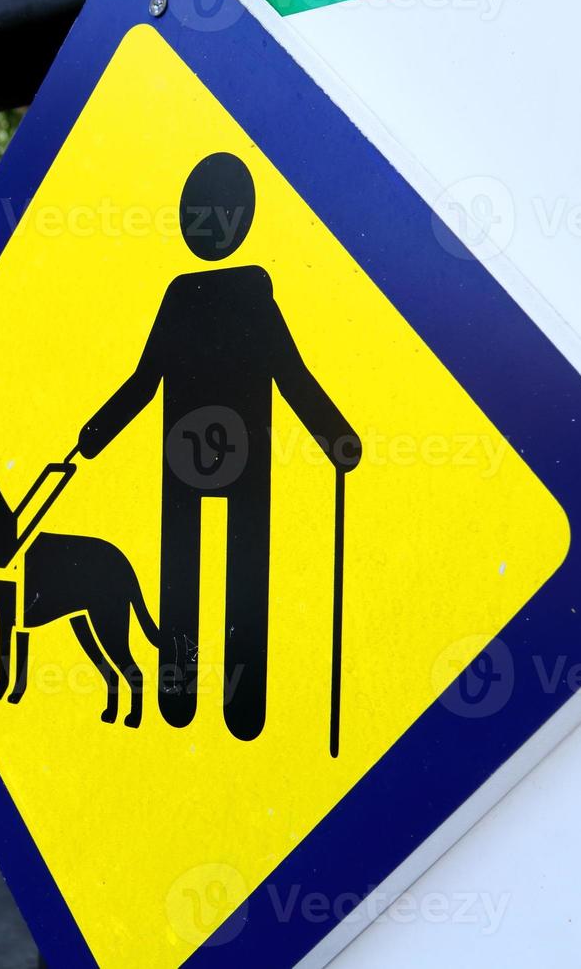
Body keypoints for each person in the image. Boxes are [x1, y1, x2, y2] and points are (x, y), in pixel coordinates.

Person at [79, 152, 361, 741]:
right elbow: (148, 378)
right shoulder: (183, 295)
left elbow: (288, 373)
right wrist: (93, 435)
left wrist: (335, 435)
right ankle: (180, 696)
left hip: (220, 453)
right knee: (187, 577)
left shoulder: (248, 294)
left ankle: (241, 705)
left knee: (238, 580)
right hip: (198, 454)